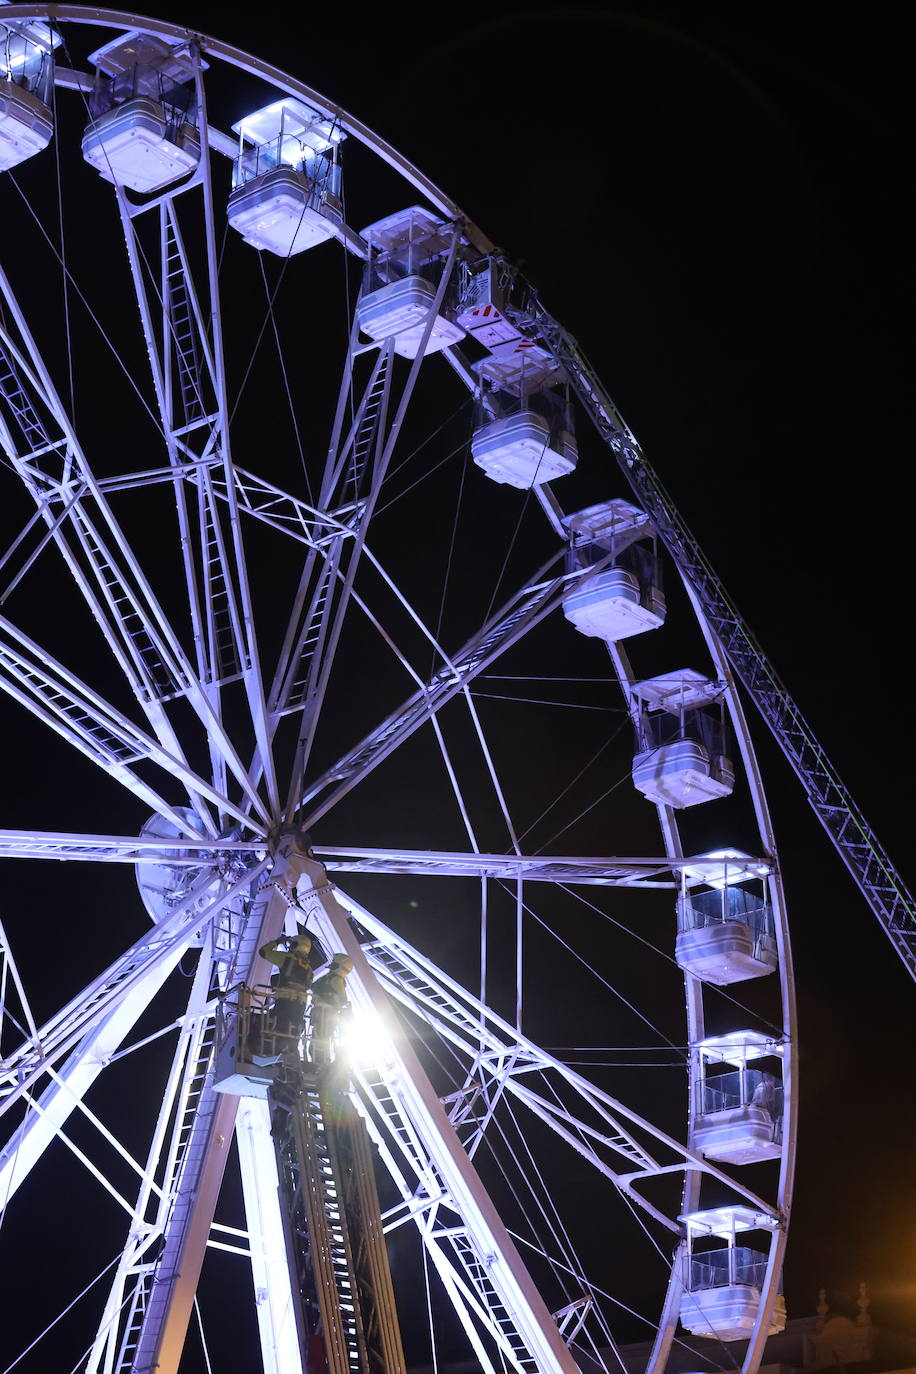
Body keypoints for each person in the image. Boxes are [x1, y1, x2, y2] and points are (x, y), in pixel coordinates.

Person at [258, 930, 314, 1043]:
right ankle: (291, 1051)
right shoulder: (309, 969)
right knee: (294, 1030)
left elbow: (263, 952)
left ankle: (274, 1048)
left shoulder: (286, 958)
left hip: (285, 1000)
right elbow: (308, 985)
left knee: (277, 1027)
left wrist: (277, 942)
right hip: (301, 1003)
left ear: (294, 945)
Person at [308, 953, 353, 1064]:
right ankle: (321, 1062)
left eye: (334, 963)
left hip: (326, 1015)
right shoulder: (331, 978)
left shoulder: (336, 980)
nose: (332, 964)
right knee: (319, 1040)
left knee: (320, 1041)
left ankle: (322, 1063)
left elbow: (343, 1000)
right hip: (322, 1013)